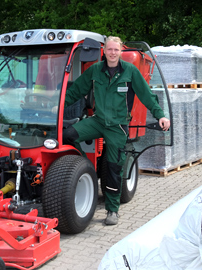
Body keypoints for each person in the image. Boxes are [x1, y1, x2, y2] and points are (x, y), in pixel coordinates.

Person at [63, 36, 170, 225]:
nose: (112, 53)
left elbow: (146, 95)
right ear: (104, 51)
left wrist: (160, 114)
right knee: (68, 135)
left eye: (116, 50)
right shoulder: (95, 70)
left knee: (113, 168)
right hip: (97, 121)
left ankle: (112, 211)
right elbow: (76, 91)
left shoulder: (129, 71)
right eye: (110, 49)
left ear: (121, 52)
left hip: (118, 127)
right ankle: (85, 166)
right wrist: (55, 105)